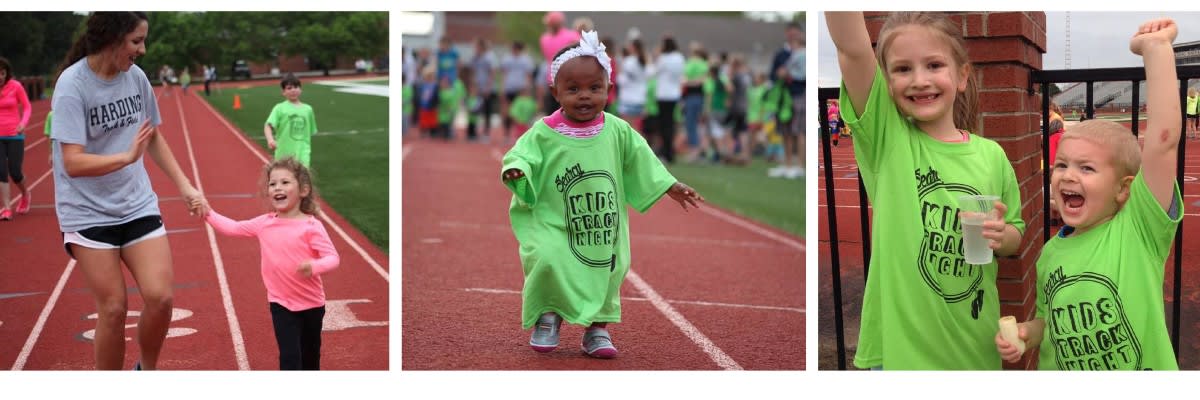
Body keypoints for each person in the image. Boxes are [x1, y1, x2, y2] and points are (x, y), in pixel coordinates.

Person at [827, 11, 1026, 370]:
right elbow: (852, 48)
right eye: (902, 69)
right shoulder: (887, 139)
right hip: (902, 357)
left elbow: (1015, 236)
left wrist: (1002, 235)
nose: (919, 80)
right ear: (886, 83)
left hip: (975, 349)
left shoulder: (992, 156)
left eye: (934, 65)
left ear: (961, 75)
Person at [501, 31, 704, 359]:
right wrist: (518, 171)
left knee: (609, 268)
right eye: (573, 89)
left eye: (594, 88)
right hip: (554, 220)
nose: (585, 96)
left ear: (608, 89)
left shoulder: (618, 130)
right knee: (549, 259)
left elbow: (643, 159)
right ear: (555, 92)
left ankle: (597, 328)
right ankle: (547, 315)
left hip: (601, 224)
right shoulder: (544, 132)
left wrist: (669, 185)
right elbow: (521, 155)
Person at [996, 18, 1183, 371]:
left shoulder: (1139, 229)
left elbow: (1163, 140)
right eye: (1062, 165)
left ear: (1124, 190)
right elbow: (1050, 324)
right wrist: (1026, 334)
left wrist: (1156, 49)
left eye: (1087, 168)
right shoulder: (1050, 253)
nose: (1068, 175)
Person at [51, 11, 206, 370]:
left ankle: (146, 372)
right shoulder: (72, 85)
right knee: (113, 309)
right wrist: (124, 157)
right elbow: (72, 161)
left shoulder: (135, 77)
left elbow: (152, 135)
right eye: (137, 41)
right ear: (112, 37)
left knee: (161, 297)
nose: (144, 49)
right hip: (87, 212)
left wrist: (185, 186)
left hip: (136, 204)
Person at [199, 157, 339, 370]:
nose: (277, 188)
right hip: (281, 304)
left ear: (303, 190)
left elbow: (332, 258)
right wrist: (207, 212)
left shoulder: (312, 226)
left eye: (285, 182)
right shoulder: (264, 223)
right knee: (290, 359)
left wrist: (314, 266)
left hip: (312, 305)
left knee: (310, 359)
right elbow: (233, 228)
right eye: (272, 184)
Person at [768, 22, 806, 178]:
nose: (792, 35)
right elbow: (772, 74)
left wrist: (790, 75)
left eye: (795, 32)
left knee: (799, 131)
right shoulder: (781, 54)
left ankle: (801, 165)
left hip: (798, 94)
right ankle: (788, 163)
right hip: (783, 97)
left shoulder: (805, 53)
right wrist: (779, 74)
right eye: (790, 32)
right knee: (785, 131)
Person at [0, 57, 32, 220]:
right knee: (1, 171)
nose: (0, 76)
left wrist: (23, 123)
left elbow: (27, 107)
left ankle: (25, 193)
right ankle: (6, 207)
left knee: (15, 172)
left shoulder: (16, 86)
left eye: (2, 73)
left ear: (6, 73)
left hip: (14, 135)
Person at [264, 73, 318, 167]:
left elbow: (310, 132)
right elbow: (268, 125)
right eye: (289, 88)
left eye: (296, 87)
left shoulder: (308, 109)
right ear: (283, 92)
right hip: (283, 154)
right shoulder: (279, 108)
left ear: (300, 89)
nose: (293, 90)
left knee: (302, 179)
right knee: (285, 179)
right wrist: (270, 140)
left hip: (303, 154)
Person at [539, 11, 581, 115]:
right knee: (552, 113)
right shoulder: (544, 39)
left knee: (567, 112)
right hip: (552, 80)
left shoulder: (572, 36)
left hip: (570, 79)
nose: (549, 25)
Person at [652, 36, 684, 163]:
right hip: (674, 94)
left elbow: (655, 71)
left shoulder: (663, 58)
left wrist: (656, 56)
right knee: (670, 124)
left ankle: (666, 152)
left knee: (664, 125)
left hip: (663, 94)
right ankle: (670, 152)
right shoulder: (679, 57)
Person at [500, 41, 535, 144]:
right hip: (509, 88)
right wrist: (503, 88)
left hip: (521, 89)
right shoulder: (507, 59)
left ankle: (521, 134)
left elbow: (528, 75)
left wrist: (527, 88)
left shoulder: (526, 60)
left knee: (520, 113)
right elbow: (504, 74)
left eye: (516, 49)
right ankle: (507, 134)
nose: (514, 51)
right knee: (507, 112)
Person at [681, 43, 708, 162]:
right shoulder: (704, 64)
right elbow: (703, 80)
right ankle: (699, 150)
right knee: (698, 124)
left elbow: (684, 80)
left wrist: (689, 82)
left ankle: (694, 151)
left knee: (690, 124)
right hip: (700, 96)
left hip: (691, 96)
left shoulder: (690, 63)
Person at [467, 38, 498, 142]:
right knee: (474, 109)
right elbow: (472, 71)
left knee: (487, 111)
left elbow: (493, 72)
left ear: (481, 46)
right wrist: (472, 85)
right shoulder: (475, 58)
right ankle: (473, 132)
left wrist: (488, 87)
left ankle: (486, 133)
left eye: (476, 47)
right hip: (477, 88)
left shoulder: (489, 56)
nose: (475, 49)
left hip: (487, 88)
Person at [617, 38, 649, 133]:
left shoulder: (629, 61)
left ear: (633, 47)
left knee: (628, 129)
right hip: (640, 99)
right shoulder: (644, 60)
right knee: (637, 128)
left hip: (628, 99)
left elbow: (622, 81)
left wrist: (619, 72)